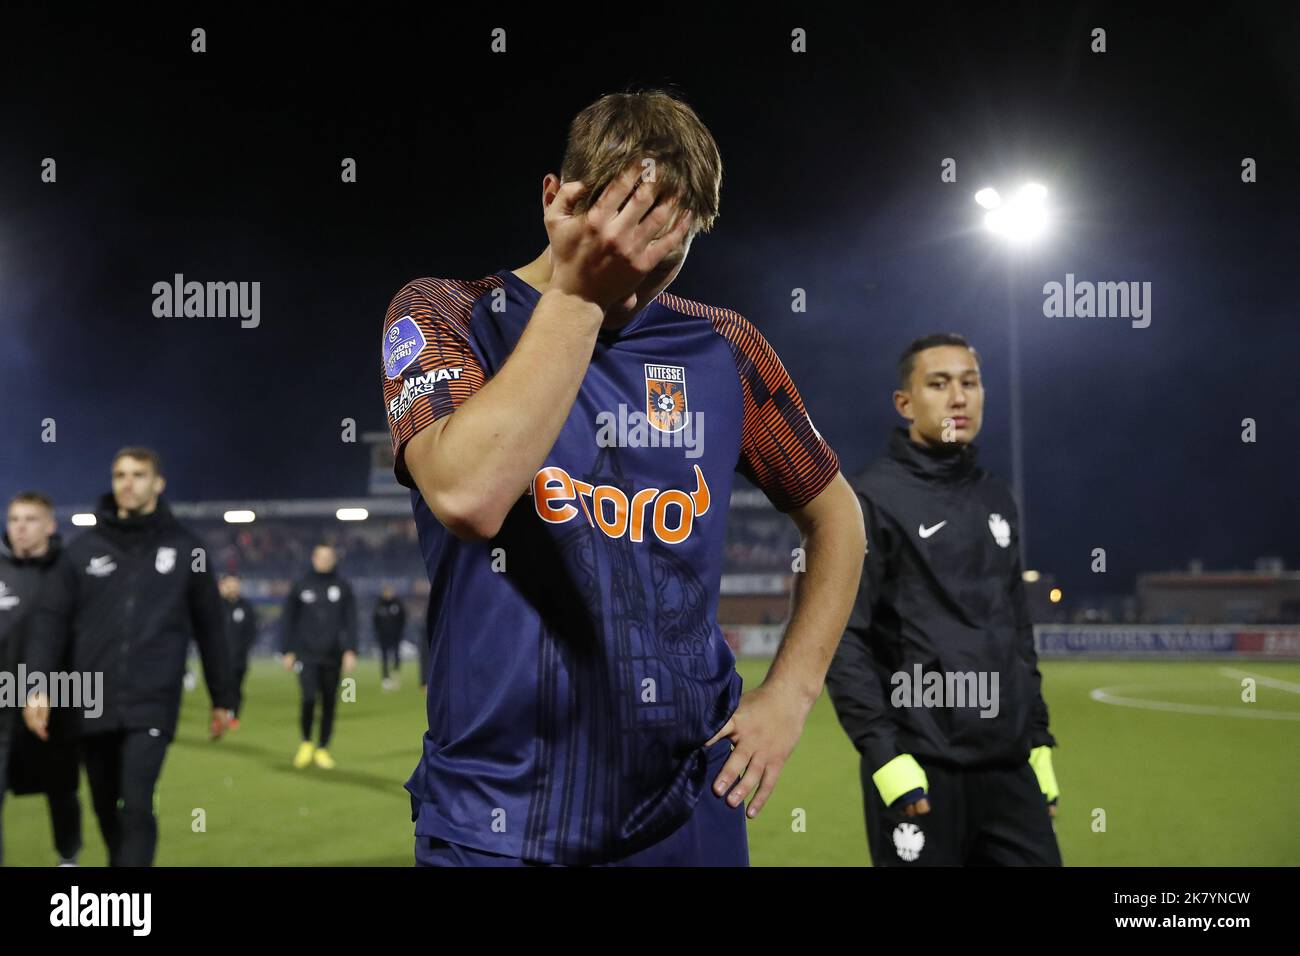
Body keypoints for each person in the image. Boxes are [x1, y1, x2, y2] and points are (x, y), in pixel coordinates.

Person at [380, 89, 865, 867]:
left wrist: (793, 694)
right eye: (620, 237)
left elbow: (836, 514)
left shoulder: (724, 348)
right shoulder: (448, 313)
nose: (636, 279)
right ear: (555, 200)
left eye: (666, 246)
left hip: (685, 805)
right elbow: (469, 496)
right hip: (495, 812)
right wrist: (577, 294)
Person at [825, 333, 1062, 866]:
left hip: (1008, 768)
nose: (959, 397)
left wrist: (1039, 744)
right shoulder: (867, 498)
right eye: (939, 384)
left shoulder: (997, 497)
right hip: (918, 766)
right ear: (904, 403)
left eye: (970, 383)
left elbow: (1017, 629)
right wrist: (885, 756)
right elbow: (843, 636)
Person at [24, 449, 234, 867]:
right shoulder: (82, 552)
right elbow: (50, 623)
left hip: (153, 700)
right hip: (91, 699)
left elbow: (211, 627)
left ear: (158, 483)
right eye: (120, 474)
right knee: (104, 805)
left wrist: (224, 696)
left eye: (138, 474)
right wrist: (36, 686)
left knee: (136, 803)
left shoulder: (186, 549)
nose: (127, 482)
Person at [1, 491, 83, 866]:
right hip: (2, 703)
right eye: (14, 518)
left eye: (30, 519)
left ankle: (68, 859)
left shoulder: (69, 572)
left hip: (59, 701)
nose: (20, 527)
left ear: (50, 525)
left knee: (62, 790)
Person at [280, 544, 357, 769]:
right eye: (320, 556)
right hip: (306, 654)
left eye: (328, 557)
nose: (324, 560)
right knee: (308, 698)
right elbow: (288, 620)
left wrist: (350, 649)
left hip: (333, 654)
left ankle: (323, 747)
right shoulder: (301, 585)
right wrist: (288, 650)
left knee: (330, 702)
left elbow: (351, 621)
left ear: (334, 559)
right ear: (313, 558)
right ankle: (306, 743)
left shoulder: (342, 587)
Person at [218, 574, 258, 727]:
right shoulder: (216, 605)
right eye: (230, 584)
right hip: (219, 657)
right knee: (221, 686)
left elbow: (252, 631)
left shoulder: (246, 606)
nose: (233, 587)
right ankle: (219, 715)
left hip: (239, 658)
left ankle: (233, 715)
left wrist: (244, 648)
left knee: (236, 687)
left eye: (235, 584)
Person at [372, 586, 406, 691]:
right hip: (383, 636)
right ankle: (385, 678)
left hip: (396, 636)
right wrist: (378, 633)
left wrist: (400, 632)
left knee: (396, 655)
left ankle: (396, 674)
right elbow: (375, 620)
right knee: (384, 657)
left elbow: (403, 618)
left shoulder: (398, 604)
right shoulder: (379, 605)